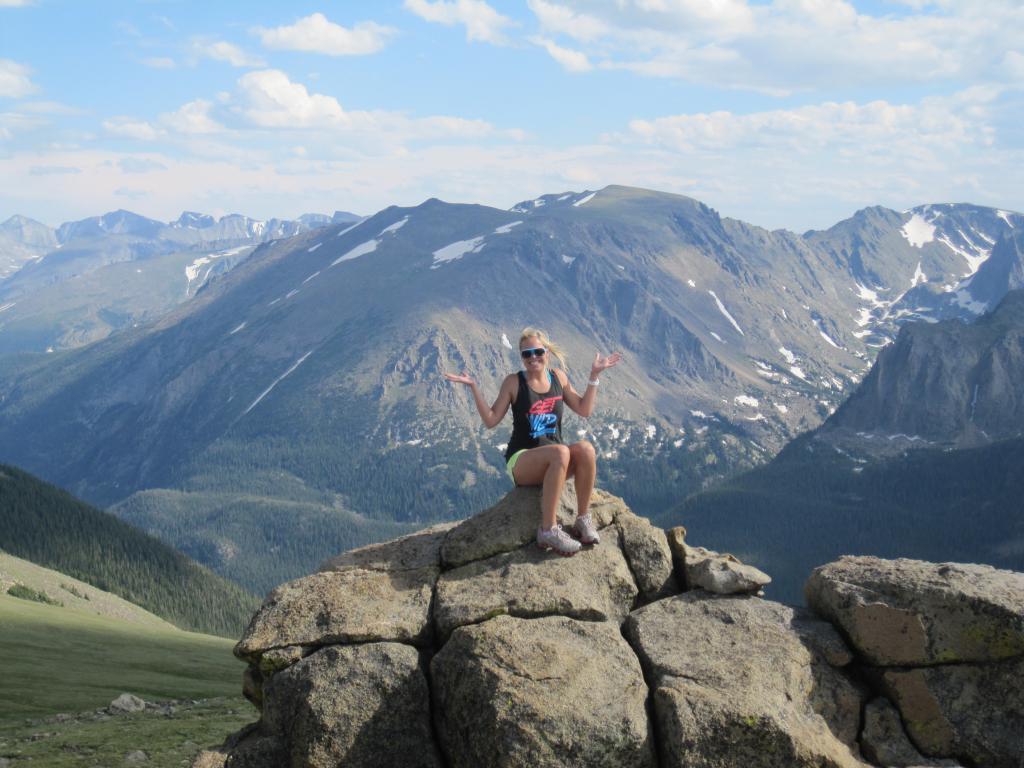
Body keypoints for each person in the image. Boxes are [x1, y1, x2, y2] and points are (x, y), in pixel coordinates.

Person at [444, 328, 621, 556]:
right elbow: (490, 420)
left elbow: (584, 409)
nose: (533, 357)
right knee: (561, 452)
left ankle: (582, 519)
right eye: (526, 354)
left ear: (547, 352)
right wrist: (474, 387)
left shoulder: (558, 377)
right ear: (521, 357)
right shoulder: (514, 382)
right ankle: (548, 530)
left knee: (586, 449)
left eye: (537, 351)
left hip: (555, 459)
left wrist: (594, 376)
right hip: (522, 461)